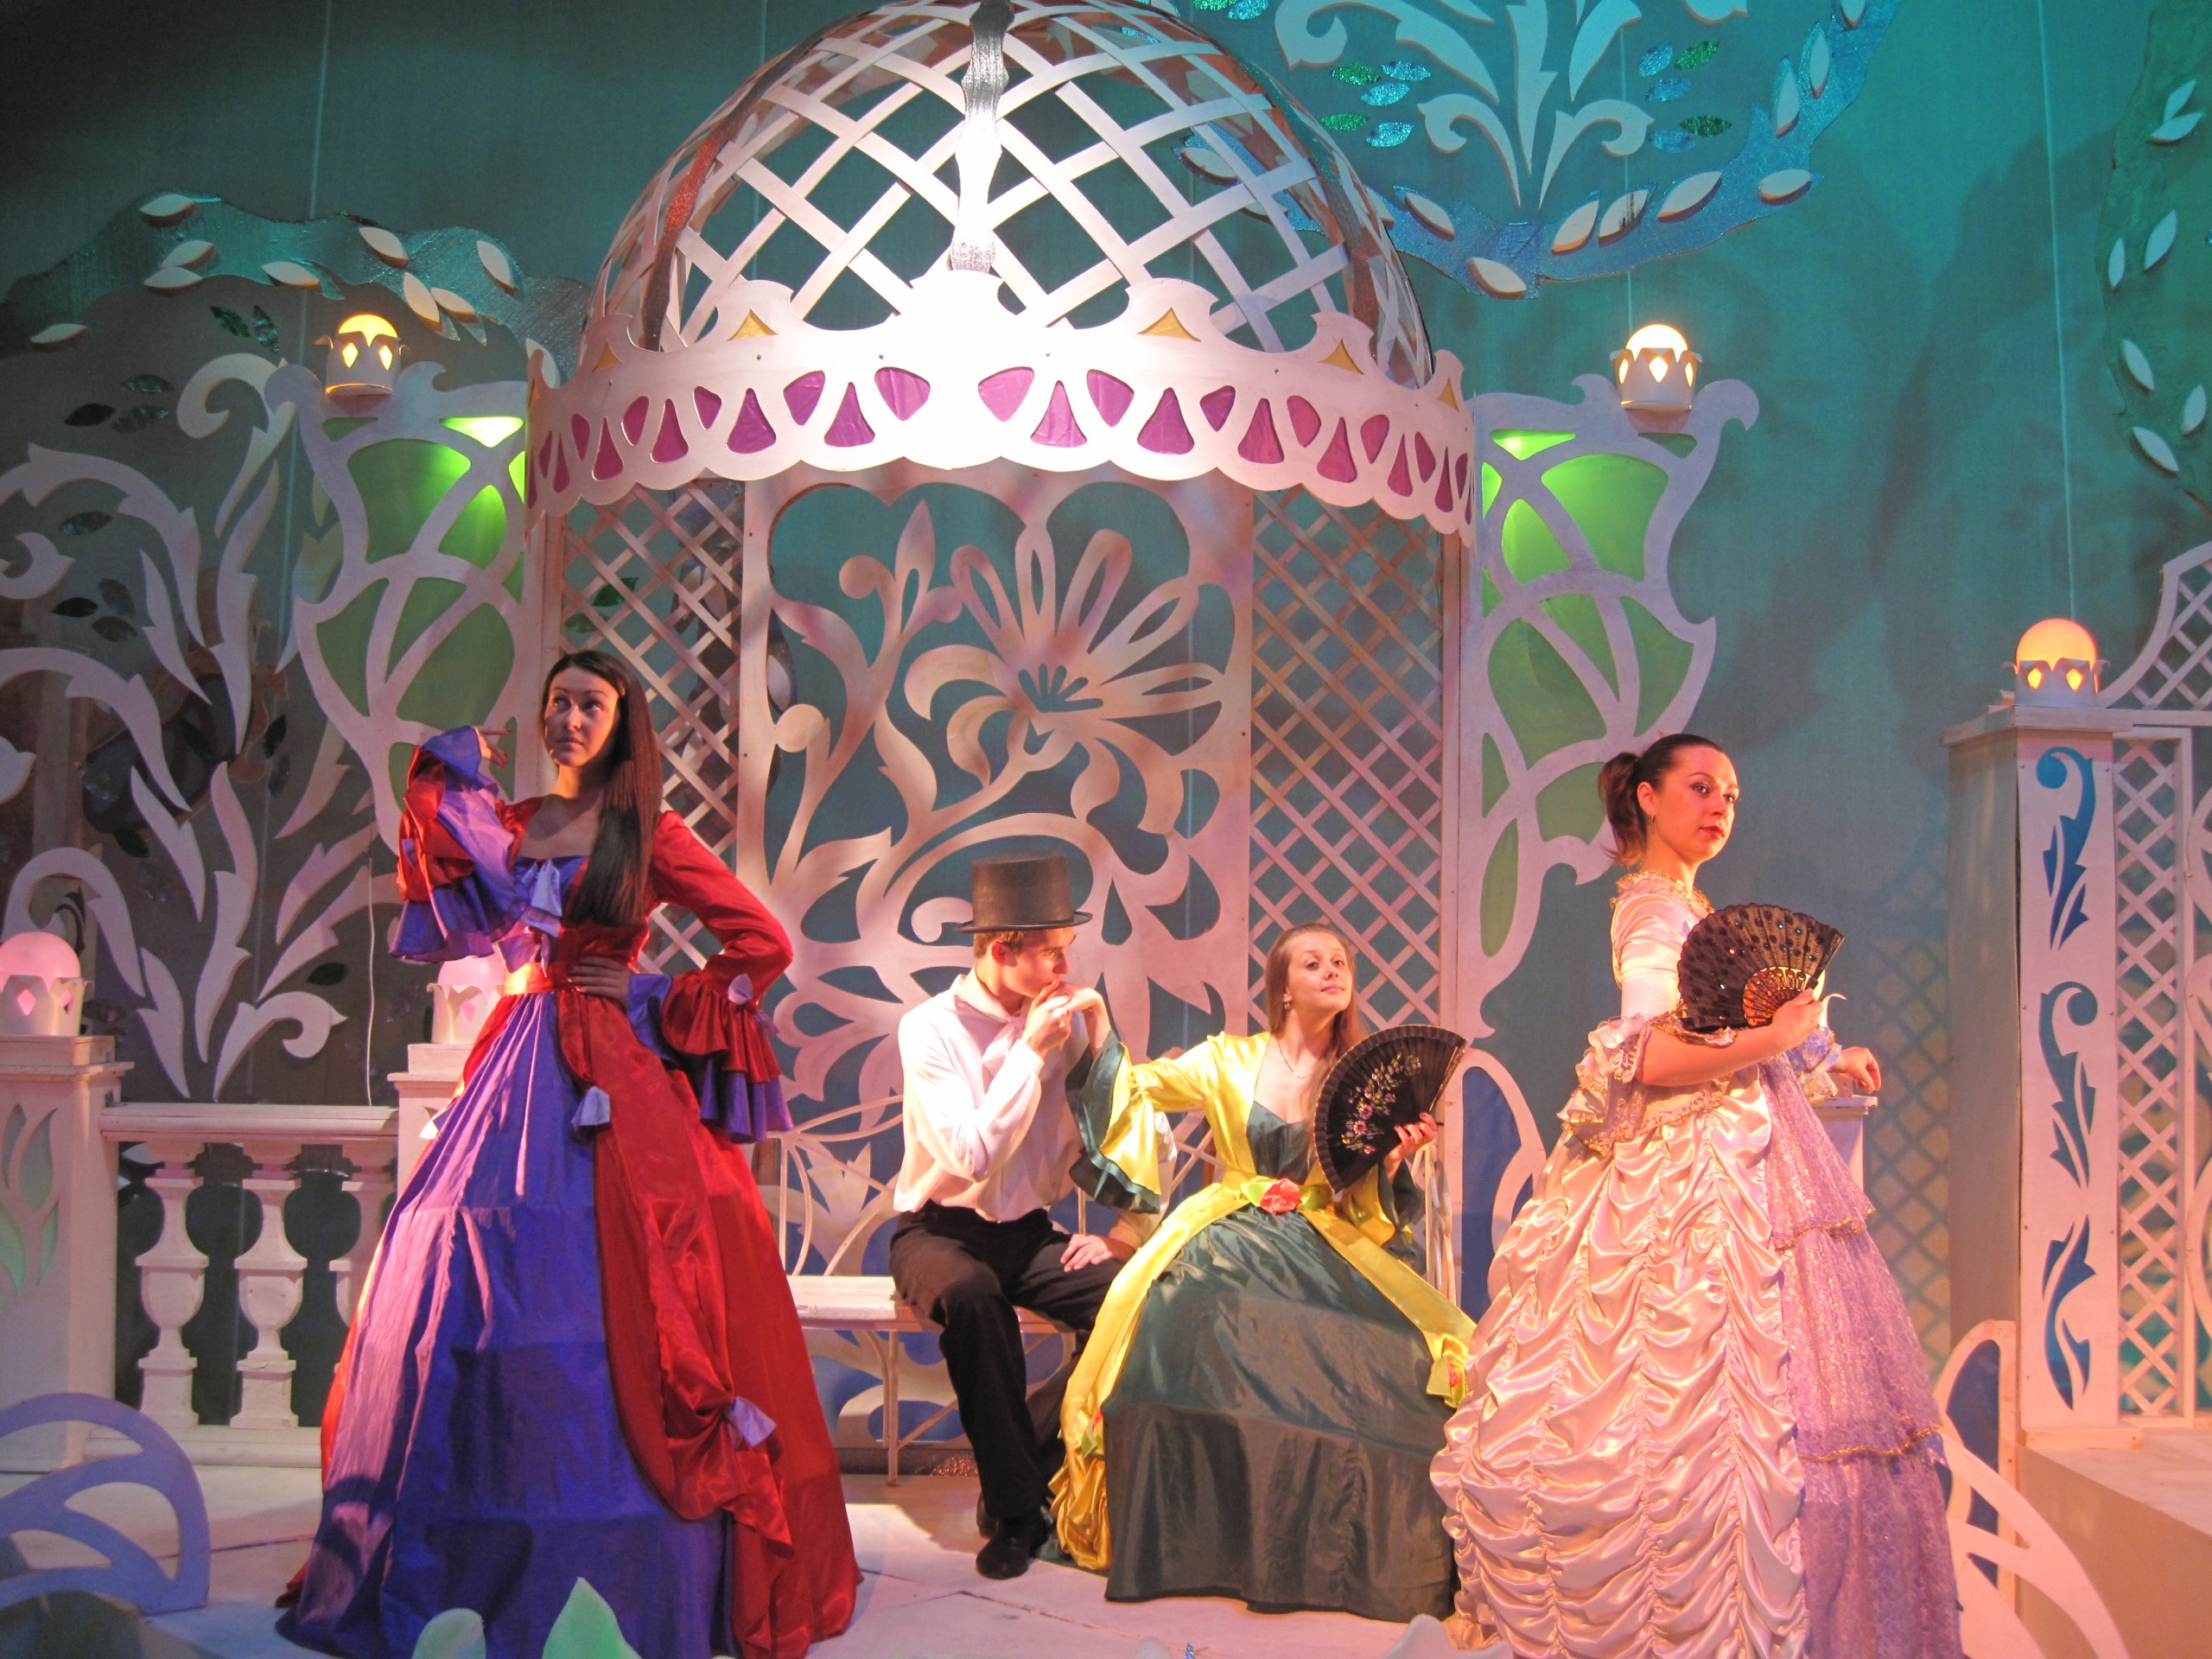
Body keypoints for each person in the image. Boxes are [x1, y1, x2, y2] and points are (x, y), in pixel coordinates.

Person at [281, 650, 859, 1659]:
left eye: (591, 704)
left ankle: (626, 1574)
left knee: (622, 1286)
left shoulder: (649, 832)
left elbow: (760, 941)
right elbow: (462, 907)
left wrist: (664, 998)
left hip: (606, 1070)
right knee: (465, 1281)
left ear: (621, 721)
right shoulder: (509, 826)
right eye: (558, 703)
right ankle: (453, 1552)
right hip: (509, 1069)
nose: (570, 720)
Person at [1429, 734, 1961, 1658]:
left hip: (1747, 1158)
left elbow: (1732, 1038)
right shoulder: (1649, 911)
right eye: (1702, 788)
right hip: (1687, 1177)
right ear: (1646, 797)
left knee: (1773, 1395)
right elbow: (1649, 1057)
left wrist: (1825, 1058)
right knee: (1680, 1399)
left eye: (1732, 795)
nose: (1720, 807)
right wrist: (1778, 1040)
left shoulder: (1689, 906)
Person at [1050, 925, 1475, 1622]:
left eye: (1340, 962)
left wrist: (1395, 1158)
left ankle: (1344, 1553)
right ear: (1283, 989)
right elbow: (1135, 1088)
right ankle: (1206, 1539)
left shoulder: (1364, 1082)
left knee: (1395, 1359)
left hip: (1326, 1236)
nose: (1332, 971)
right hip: (1230, 1232)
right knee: (1190, 1312)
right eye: (1314, 963)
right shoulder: (1227, 1059)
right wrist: (1097, 1023)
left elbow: (1368, 1202)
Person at [889, 850, 1148, 1580]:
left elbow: (1118, 1138)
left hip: (1029, 1233)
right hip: (938, 1229)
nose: (1066, 968)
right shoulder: (929, 1029)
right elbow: (972, 1156)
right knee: (975, 1303)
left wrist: (1101, 1039)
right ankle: (1013, 1514)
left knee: (1139, 1303)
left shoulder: (1062, 1024)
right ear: (1002, 952)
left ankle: (1024, 1461)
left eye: (1068, 949)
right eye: (1051, 953)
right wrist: (1029, 1056)